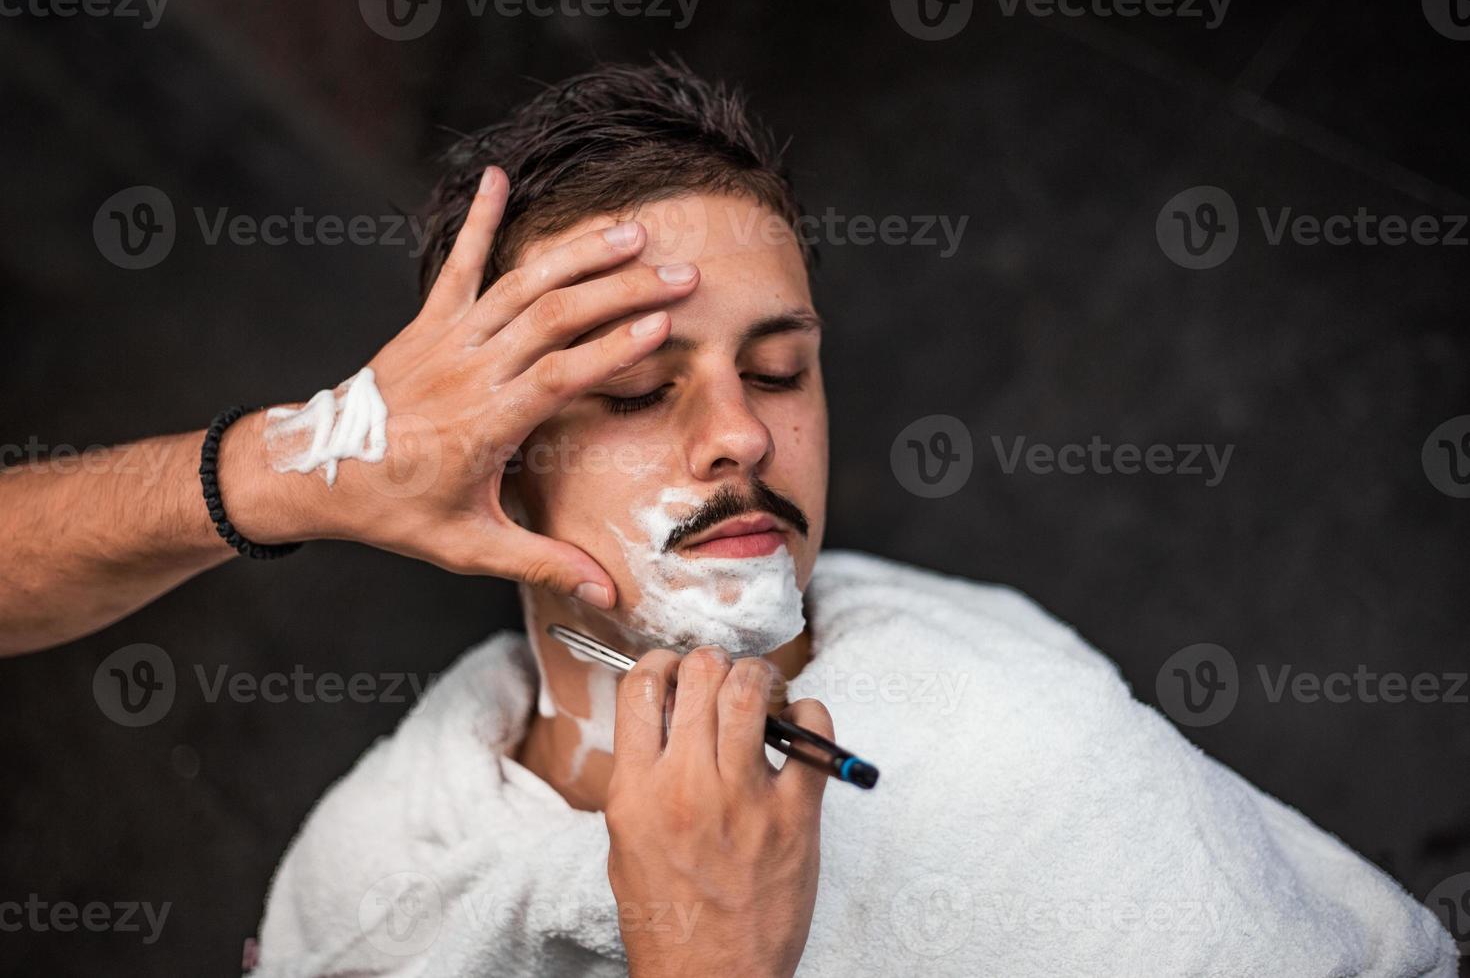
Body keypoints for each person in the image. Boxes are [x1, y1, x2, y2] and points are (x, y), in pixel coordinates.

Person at [2, 60, 1457, 977]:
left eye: (780, 370)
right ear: (491, 458)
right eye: (640, 388)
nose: (744, 433)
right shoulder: (374, 886)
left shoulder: (1016, 723)